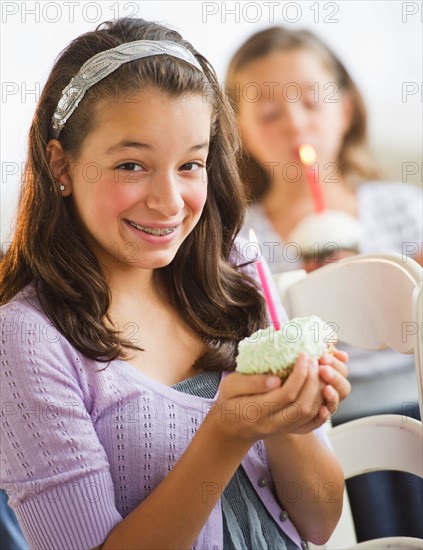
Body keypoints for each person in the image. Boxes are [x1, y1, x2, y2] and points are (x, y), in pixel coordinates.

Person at [0, 17, 351, 550]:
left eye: (190, 164)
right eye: (132, 165)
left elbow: (319, 524)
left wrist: (288, 417)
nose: (169, 203)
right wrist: (227, 432)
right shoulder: (27, 338)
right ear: (60, 164)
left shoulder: (234, 266)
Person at [226, 26, 423, 541]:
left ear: (347, 109)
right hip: (324, 437)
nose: (293, 122)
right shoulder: (240, 242)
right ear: (238, 130)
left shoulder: (404, 210)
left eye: (312, 101)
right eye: (267, 112)